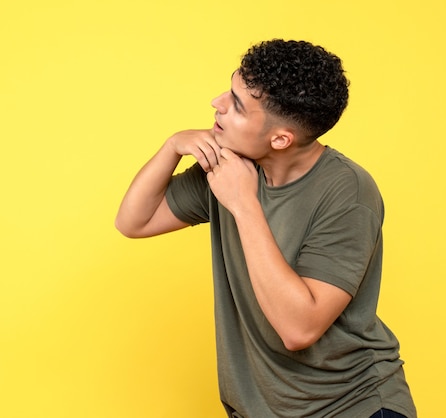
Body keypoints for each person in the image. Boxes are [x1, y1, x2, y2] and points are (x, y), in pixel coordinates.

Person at [115, 39, 417, 417]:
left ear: (280, 139)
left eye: (238, 105)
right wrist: (172, 146)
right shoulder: (229, 165)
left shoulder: (348, 192)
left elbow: (299, 329)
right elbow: (134, 221)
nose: (217, 103)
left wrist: (244, 204)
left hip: (350, 406)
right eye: (230, 90)